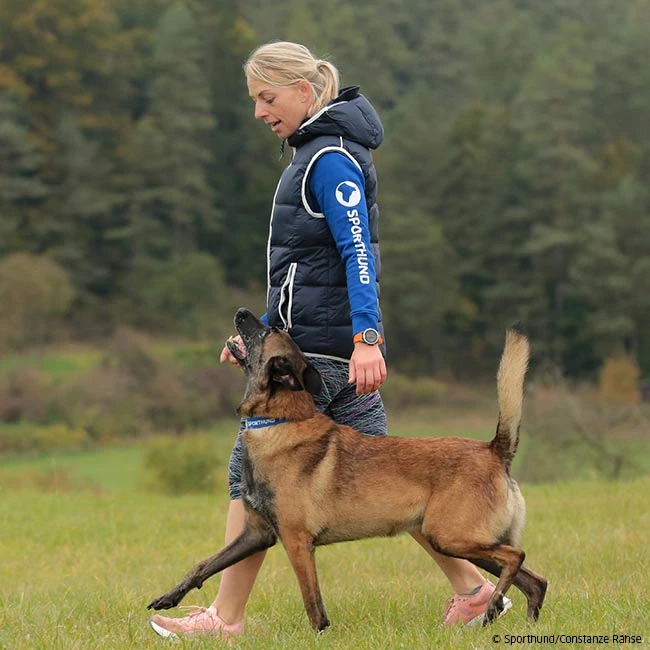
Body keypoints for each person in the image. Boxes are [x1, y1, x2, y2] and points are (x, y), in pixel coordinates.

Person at [149, 40, 509, 639]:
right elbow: (299, 269)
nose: (260, 112)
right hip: (315, 344)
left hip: (324, 353)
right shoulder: (314, 155)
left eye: (268, 98)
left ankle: (224, 619)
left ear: (304, 91)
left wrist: (367, 336)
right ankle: (475, 592)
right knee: (402, 483)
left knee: (252, 481)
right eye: (255, 100)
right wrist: (257, 340)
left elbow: (357, 253)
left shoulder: (330, 160)